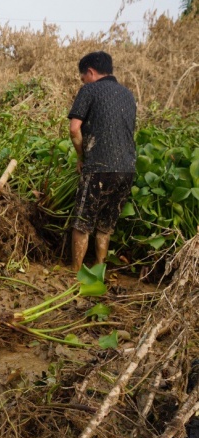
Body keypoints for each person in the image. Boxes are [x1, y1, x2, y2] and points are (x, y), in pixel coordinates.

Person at [68, 51, 136, 272]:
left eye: (83, 77)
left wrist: (81, 157)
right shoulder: (127, 94)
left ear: (90, 72)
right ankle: (99, 270)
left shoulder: (89, 89)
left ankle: (76, 274)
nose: (83, 81)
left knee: (82, 224)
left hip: (99, 167)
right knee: (105, 227)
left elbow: (74, 129)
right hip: (127, 169)